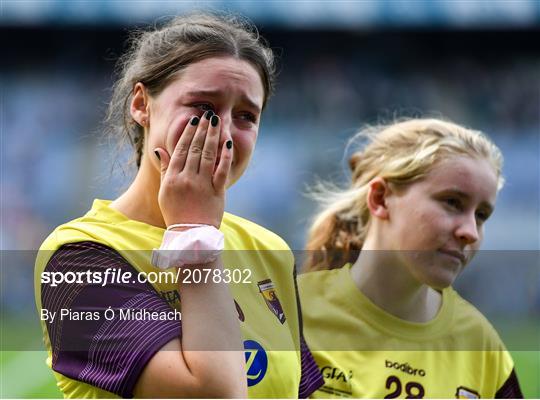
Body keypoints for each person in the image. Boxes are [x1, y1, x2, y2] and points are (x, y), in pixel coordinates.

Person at [34, 13, 322, 398]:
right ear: (141, 104)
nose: (222, 130)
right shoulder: (77, 257)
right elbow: (212, 394)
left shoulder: (269, 250)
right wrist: (194, 234)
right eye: (203, 106)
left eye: (246, 116)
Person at [298, 118, 523, 398]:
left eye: (481, 216)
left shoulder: (481, 346)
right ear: (380, 199)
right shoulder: (289, 313)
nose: (470, 232)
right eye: (452, 202)